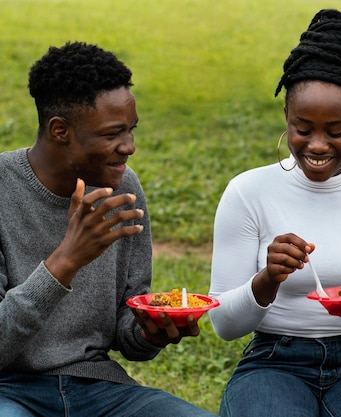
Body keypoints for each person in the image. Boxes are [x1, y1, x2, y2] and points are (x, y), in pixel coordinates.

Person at [208, 9, 341, 417]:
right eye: (302, 128)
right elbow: (224, 325)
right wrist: (267, 279)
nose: (318, 145)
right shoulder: (247, 192)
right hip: (274, 358)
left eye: (336, 130)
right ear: (286, 119)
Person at [0, 41, 216, 416]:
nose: (129, 147)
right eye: (113, 134)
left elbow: (126, 335)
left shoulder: (123, 188)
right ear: (60, 130)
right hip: (9, 391)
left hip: (98, 387)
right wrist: (66, 260)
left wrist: (151, 330)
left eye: (131, 130)